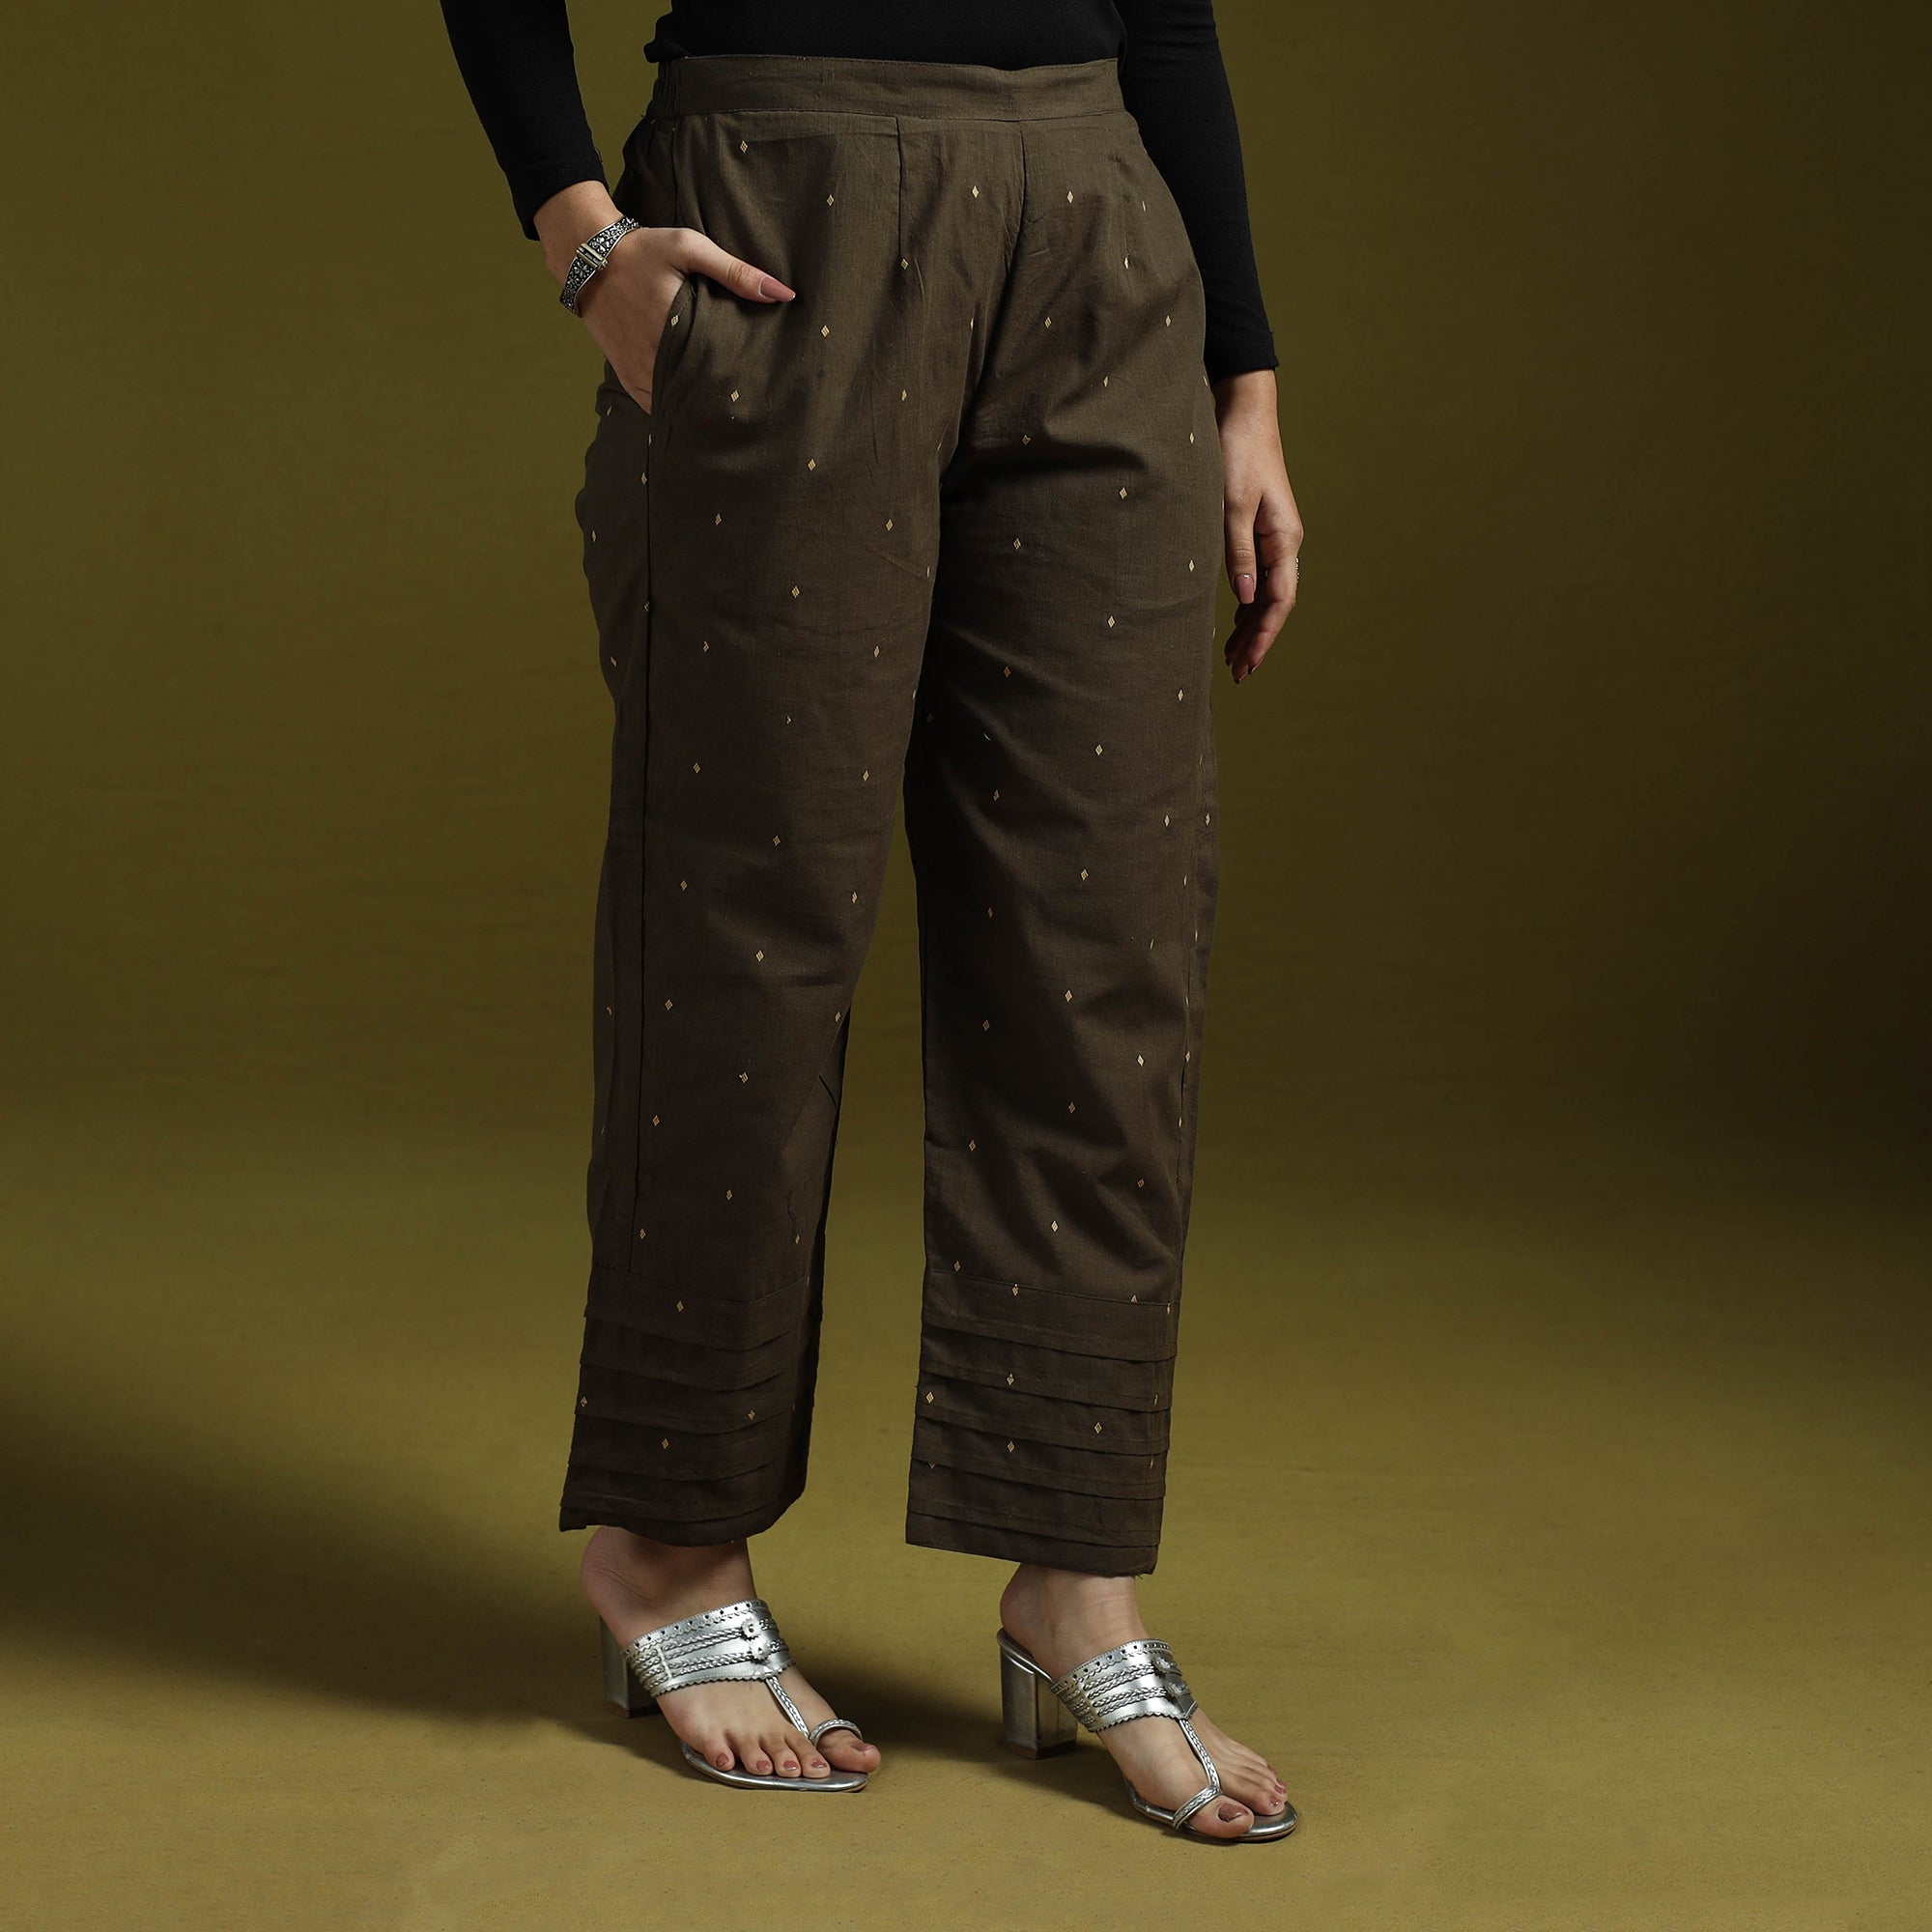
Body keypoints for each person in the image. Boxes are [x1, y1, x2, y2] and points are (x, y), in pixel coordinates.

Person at [439, 0, 1304, 1841]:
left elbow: (1163, 5)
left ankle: (1077, 1577)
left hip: (1102, 228)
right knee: (747, 925)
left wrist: (1246, 380)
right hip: (782, 209)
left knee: (1108, 946)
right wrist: (581, 234)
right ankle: (669, 1546)